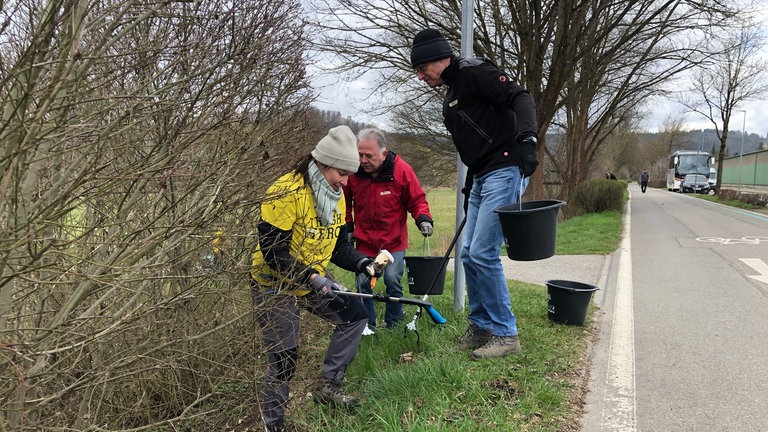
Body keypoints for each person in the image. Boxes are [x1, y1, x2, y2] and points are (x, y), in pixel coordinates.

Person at [410, 28, 539, 360]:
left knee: (483, 253)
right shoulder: (450, 98)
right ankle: (481, 327)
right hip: (482, 177)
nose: (421, 77)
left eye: (422, 69)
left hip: (506, 168)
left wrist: (527, 141)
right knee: (468, 256)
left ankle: (506, 334)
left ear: (438, 58)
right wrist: (470, 183)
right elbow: (473, 145)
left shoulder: (474, 72)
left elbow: (520, 97)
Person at [249, 125, 386, 432]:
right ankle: (275, 424)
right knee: (285, 357)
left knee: (356, 316)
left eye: (350, 175)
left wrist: (363, 263)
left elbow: (337, 247)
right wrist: (312, 277)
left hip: (312, 276)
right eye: (342, 173)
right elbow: (274, 253)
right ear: (323, 163)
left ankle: (329, 387)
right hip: (275, 282)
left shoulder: (335, 196)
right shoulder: (286, 191)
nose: (345, 182)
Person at [344, 127, 434, 334]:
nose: (363, 160)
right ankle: (367, 325)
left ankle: (394, 323)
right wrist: (348, 226)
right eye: (360, 155)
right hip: (365, 242)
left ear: (383, 154)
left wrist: (423, 219)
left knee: (392, 280)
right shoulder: (354, 173)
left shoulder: (402, 170)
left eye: (369, 155)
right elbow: (345, 201)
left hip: (393, 243)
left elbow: (417, 200)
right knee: (362, 283)